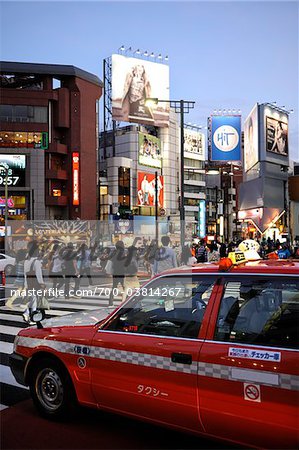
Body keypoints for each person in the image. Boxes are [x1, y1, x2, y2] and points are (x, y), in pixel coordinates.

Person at [23, 241, 46, 324]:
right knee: (35, 301)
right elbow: (38, 275)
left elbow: (25, 274)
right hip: (35, 283)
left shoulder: (26, 261)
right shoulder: (36, 262)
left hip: (28, 283)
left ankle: (26, 313)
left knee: (32, 299)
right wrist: (42, 284)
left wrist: (25, 284)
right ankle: (31, 317)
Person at [108, 240, 126, 306]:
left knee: (114, 287)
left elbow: (111, 259)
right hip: (121, 272)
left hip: (115, 271)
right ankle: (126, 301)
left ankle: (110, 302)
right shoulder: (122, 252)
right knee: (124, 287)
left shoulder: (114, 252)